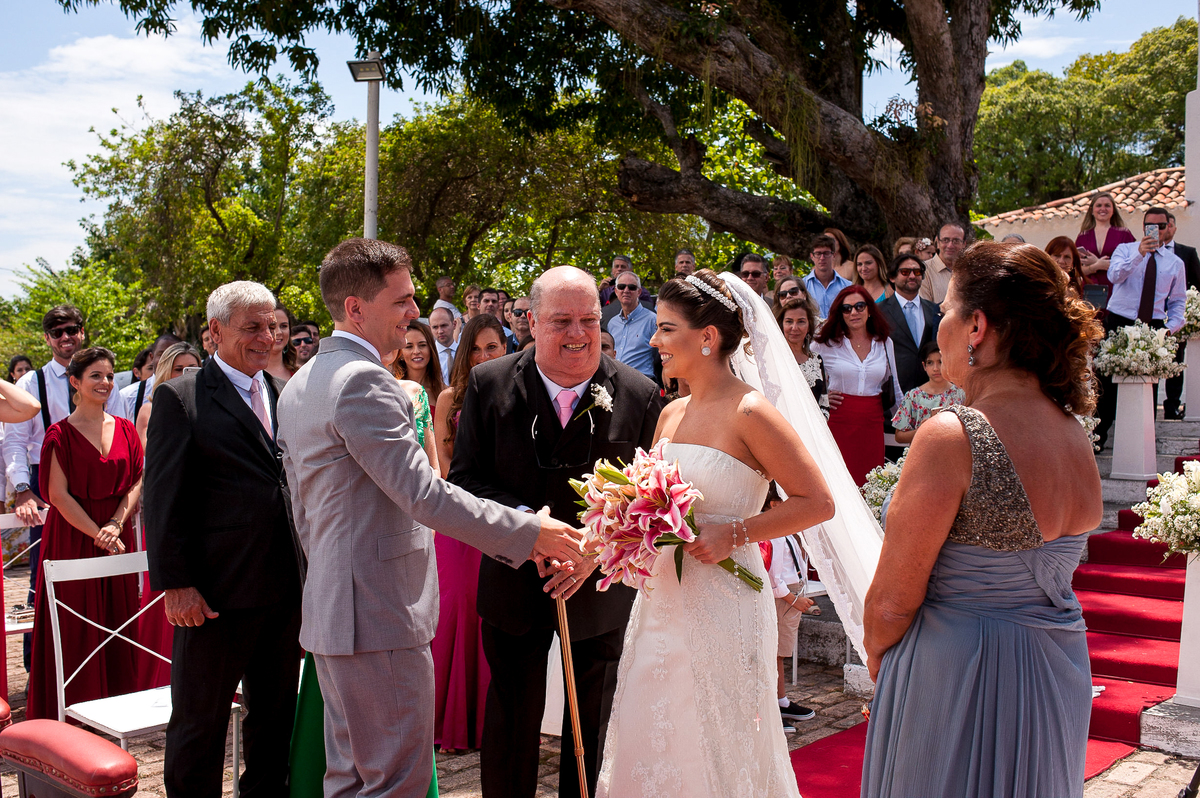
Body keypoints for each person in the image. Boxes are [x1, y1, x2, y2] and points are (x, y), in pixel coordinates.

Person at [276, 239, 585, 798]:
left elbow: (303, 511)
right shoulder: (363, 382)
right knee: (396, 782)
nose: (414, 313)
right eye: (402, 301)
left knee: (348, 778)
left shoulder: (303, 382)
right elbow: (424, 496)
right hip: (379, 613)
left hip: (334, 609)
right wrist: (530, 531)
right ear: (355, 309)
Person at [861, 241, 1104, 797]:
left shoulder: (953, 435)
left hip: (960, 676)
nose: (938, 325)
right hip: (1055, 669)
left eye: (945, 310)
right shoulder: (1074, 436)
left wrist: (878, 654)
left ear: (977, 327)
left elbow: (894, 601)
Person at [595, 268, 835, 797]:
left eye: (665, 329)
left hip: (726, 599)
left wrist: (738, 533)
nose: (654, 341)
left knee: (716, 733)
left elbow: (818, 502)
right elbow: (647, 504)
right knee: (653, 721)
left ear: (706, 338)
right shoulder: (671, 412)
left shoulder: (751, 411)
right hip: (663, 599)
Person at [448, 264, 664, 798]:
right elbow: (465, 479)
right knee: (512, 719)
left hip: (597, 586)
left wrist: (594, 550)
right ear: (532, 322)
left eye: (589, 319)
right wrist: (528, 527)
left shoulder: (638, 394)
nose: (578, 333)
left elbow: (648, 502)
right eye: (561, 321)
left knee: (591, 724)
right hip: (515, 578)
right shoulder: (489, 383)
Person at [144, 281, 304, 798]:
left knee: (275, 721)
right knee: (199, 725)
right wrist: (177, 585)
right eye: (252, 327)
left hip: (285, 591)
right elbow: (162, 501)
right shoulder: (179, 396)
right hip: (213, 598)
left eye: (273, 326)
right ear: (215, 332)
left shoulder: (284, 394)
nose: (267, 337)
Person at [26, 347, 142, 720]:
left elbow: (139, 478)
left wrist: (114, 524)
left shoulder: (124, 428)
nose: (105, 383)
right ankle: (70, 713)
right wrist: (99, 531)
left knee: (117, 623)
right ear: (75, 382)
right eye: (95, 375)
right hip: (73, 539)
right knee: (75, 628)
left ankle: (117, 711)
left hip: (117, 534)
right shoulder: (58, 434)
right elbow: (57, 495)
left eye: (109, 376)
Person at [5, 305, 123, 670]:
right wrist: (23, 489)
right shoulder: (30, 383)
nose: (65, 337)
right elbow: (13, 441)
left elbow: (119, 427)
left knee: (106, 583)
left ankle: (106, 668)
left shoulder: (105, 376)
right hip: (47, 488)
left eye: (72, 329)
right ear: (47, 339)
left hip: (100, 486)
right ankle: (39, 667)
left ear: (82, 331)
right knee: (47, 581)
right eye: (57, 332)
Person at [428, 314, 509, 753]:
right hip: (459, 521)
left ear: (505, 348)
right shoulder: (448, 399)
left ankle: (489, 722)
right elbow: (444, 468)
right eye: (475, 349)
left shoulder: (515, 395)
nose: (483, 356)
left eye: (492, 347)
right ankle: (448, 722)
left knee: (491, 616)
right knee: (457, 610)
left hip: (502, 520)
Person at [1093, 207, 1186, 448]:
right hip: (1118, 320)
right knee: (1105, 381)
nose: (1155, 230)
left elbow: (1177, 302)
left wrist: (1169, 329)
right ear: (1143, 227)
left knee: (1148, 383)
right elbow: (1114, 276)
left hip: (1152, 325)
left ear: (1168, 228)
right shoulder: (1125, 250)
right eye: (1149, 226)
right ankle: (1098, 438)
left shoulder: (1175, 263)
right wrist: (1139, 254)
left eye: (1160, 226)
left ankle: (1142, 443)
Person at [814, 285, 902, 486]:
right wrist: (821, 399)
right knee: (838, 484)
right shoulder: (825, 343)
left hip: (872, 424)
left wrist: (907, 423)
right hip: (837, 422)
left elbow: (895, 385)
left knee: (870, 485)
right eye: (847, 308)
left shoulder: (884, 342)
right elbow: (803, 376)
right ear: (840, 313)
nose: (854, 312)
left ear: (870, 309)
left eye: (859, 306)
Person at [878, 254, 943, 394]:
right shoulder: (879, 311)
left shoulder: (934, 310)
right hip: (892, 392)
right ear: (892, 277)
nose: (912, 276)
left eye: (917, 272)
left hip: (930, 390)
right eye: (905, 272)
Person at [1162, 212, 1200, 419]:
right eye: (1161, 225)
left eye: (1169, 224)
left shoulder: (1187, 253)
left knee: (1176, 363)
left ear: (1174, 228)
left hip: (1177, 317)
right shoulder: (1144, 252)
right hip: (1153, 314)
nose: (1165, 228)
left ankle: (1172, 406)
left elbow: (1197, 283)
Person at [890, 342, 965, 445]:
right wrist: (923, 430)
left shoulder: (961, 394)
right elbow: (899, 436)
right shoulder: (913, 396)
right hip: (922, 453)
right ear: (924, 366)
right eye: (930, 363)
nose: (935, 368)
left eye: (940, 362)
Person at [134, 343, 203, 448]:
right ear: (165, 372)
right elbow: (146, 448)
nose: (185, 376)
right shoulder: (149, 410)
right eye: (178, 370)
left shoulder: (210, 406)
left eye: (191, 369)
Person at [1075, 192, 1137, 290]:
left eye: (1107, 206)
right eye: (1099, 205)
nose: (1103, 209)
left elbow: (1132, 264)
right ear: (1092, 210)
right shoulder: (1082, 237)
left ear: (1113, 211)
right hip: (1090, 291)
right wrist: (1096, 266)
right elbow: (1076, 270)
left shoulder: (1124, 234)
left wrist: (1097, 262)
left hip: (1117, 290)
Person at [775, 296, 827, 412]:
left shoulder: (816, 360)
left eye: (801, 322)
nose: (794, 327)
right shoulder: (773, 359)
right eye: (789, 321)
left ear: (809, 326)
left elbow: (824, 401)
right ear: (782, 325)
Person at [119, 333, 182, 422]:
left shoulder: (194, 392)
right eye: (162, 354)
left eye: (174, 355)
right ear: (152, 357)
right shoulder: (128, 396)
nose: (168, 359)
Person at [608, 272, 657, 379]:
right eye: (621, 287)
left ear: (639, 292)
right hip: (616, 381)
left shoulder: (652, 320)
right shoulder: (612, 323)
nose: (626, 291)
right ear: (616, 291)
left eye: (632, 287)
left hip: (642, 382)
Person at [394, 321, 446, 412]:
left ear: (431, 349)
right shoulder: (393, 389)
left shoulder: (444, 392)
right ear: (400, 353)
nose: (416, 351)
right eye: (409, 346)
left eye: (422, 345)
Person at [803, 235, 853, 318]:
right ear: (812, 256)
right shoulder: (802, 286)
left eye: (826, 253)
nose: (822, 258)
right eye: (818, 254)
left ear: (833, 255)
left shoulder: (848, 286)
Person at [921, 222, 967, 305]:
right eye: (945, 240)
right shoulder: (923, 270)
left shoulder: (969, 270)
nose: (950, 245)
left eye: (956, 241)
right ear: (938, 243)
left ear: (964, 244)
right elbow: (926, 310)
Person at [266, 302, 297, 383]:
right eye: (272, 327)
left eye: (284, 326)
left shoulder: (300, 372)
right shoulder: (250, 373)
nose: (278, 332)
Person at [429, 306, 459, 379]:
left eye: (444, 325)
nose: (440, 331)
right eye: (435, 327)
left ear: (454, 325)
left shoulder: (465, 352)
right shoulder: (428, 355)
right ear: (430, 328)